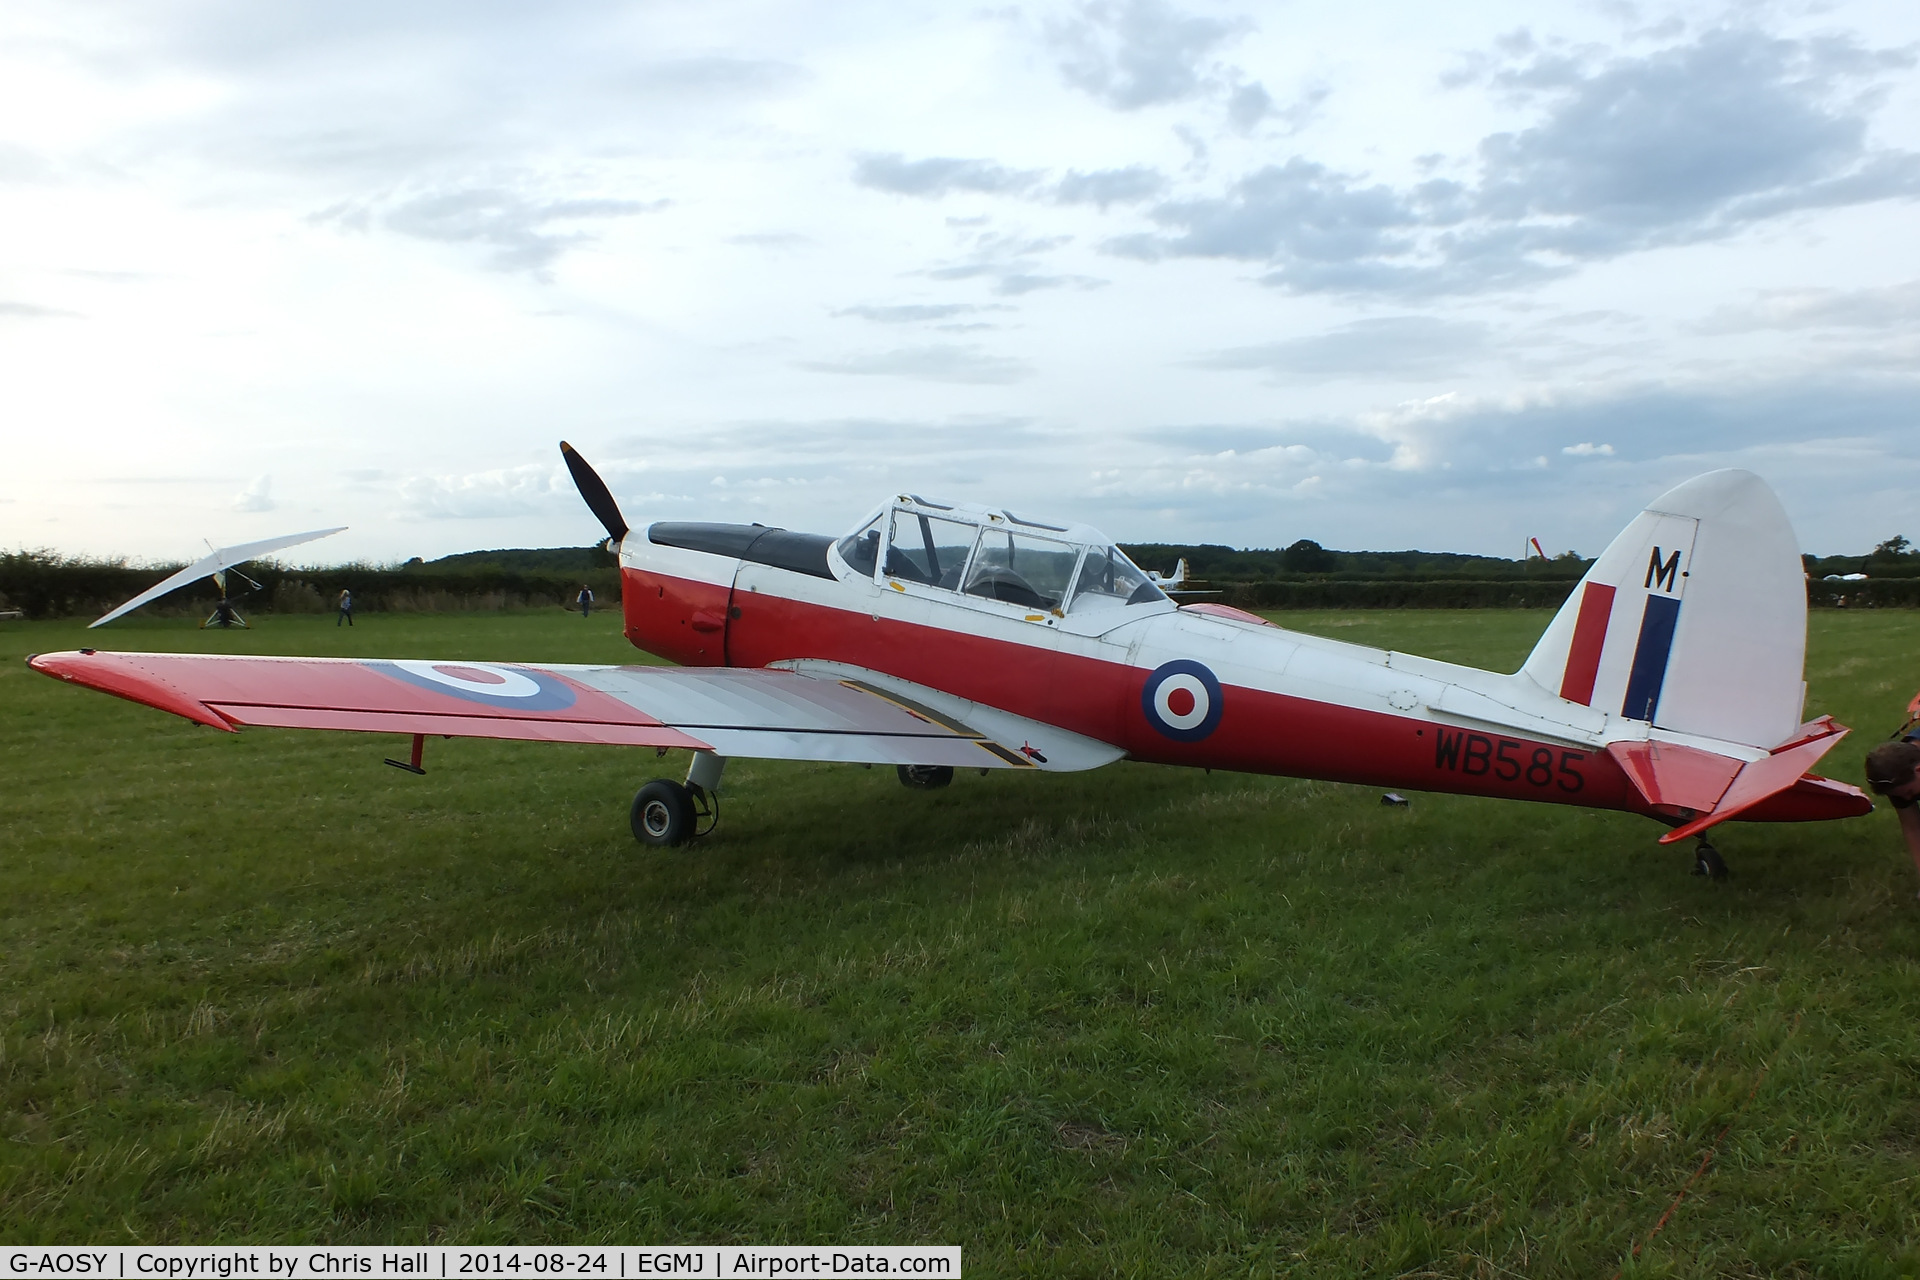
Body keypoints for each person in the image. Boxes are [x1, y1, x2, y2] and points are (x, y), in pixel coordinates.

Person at [1865, 739, 1920, 893]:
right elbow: (1913, 828)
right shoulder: (1895, 774)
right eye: (1901, 795)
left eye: (1909, 792)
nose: (1908, 799)